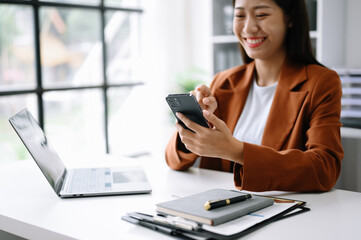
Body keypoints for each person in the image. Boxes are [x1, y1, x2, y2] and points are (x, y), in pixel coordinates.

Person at [165, 0, 344, 192]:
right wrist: (195, 122)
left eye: (261, 15)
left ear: (290, 18)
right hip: (220, 209)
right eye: (240, 16)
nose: (248, 28)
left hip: (282, 210)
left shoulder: (321, 82)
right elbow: (173, 161)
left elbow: (324, 168)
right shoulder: (224, 81)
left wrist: (236, 151)